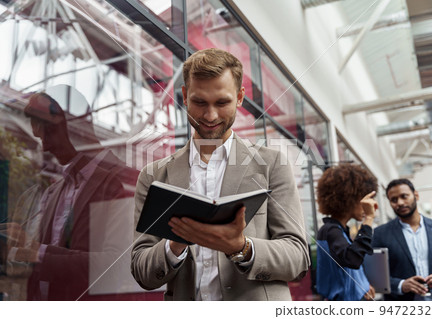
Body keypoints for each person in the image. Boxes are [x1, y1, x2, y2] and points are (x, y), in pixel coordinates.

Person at [131, 48, 310, 301]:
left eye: (222, 103)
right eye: (199, 102)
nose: (210, 115)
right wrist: (176, 243)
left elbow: (298, 258)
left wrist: (240, 247)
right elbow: (141, 270)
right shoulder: (153, 176)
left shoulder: (272, 164)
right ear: (184, 96)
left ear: (239, 97)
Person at [3, 87, 138, 300]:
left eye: (47, 134)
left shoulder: (125, 181)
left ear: (70, 124)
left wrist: (35, 252)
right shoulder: (55, 190)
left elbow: (117, 268)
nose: (45, 148)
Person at [372, 179, 432, 301]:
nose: (400, 203)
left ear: (416, 195)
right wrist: (401, 285)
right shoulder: (380, 234)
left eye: (404, 196)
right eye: (394, 200)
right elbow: (375, 277)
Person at [315, 164, 378, 301]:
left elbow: (347, 272)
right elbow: (352, 259)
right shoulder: (330, 231)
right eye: (363, 199)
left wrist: (363, 285)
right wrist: (369, 218)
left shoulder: (339, 230)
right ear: (349, 197)